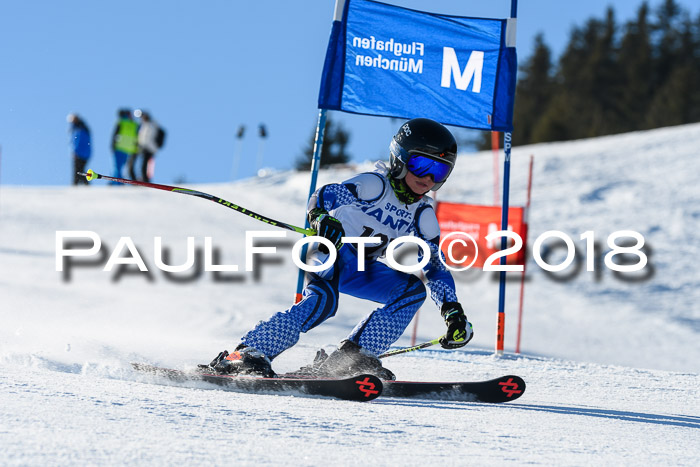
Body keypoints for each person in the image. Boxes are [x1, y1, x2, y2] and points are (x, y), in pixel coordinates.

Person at [207, 118, 474, 380]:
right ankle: (249, 351)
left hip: (361, 267)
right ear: (400, 159)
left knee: (411, 291)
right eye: (421, 164)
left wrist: (452, 311)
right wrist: (322, 217)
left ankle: (354, 357)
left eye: (439, 171)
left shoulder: (422, 216)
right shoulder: (375, 186)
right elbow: (325, 195)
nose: (427, 177)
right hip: (330, 251)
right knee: (324, 301)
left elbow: (434, 267)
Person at [128, 109, 160, 182]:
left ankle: (146, 180)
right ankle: (139, 180)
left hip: (150, 148)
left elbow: (156, 135)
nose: (142, 118)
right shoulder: (142, 125)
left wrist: (156, 145)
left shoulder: (152, 124)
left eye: (143, 116)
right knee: (137, 165)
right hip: (142, 147)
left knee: (145, 165)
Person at [111, 109, 139, 184]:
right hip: (128, 149)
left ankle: (117, 183)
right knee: (121, 167)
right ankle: (117, 182)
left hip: (119, 147)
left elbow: (115, 134)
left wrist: (112, 145)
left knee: (117, 167)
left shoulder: (121, 122)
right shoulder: (134, 124)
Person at [67, 114, 91, 185]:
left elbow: (79, 142)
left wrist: (75, 151)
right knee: (80, 170)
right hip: (84, 153)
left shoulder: (79, 129)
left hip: (80, 153)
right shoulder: (80, 128)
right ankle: (82, 184)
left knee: (78, 171)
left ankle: (77, 184)